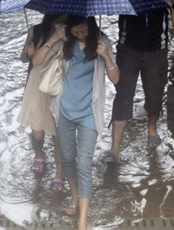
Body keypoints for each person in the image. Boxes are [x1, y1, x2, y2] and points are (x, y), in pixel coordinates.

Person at [32, 15, 119, 230]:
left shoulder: (102, 42)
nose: (80, 34)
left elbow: (116, 79)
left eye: (84, 31)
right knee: (68, 160)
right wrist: (54, 38)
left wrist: (106, 56)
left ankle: (83, 220)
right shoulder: (63, 43)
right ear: (70, 28)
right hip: (64, 112)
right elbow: (36, 61)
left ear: (91, 25)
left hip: (89, 113)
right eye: (76, 31)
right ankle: (74, 197)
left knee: (83, 163)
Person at [108, 0, 174, 162]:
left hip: (156, 49)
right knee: (123, 95)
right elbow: (109, 4)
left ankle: (152, 129)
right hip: (128, 48)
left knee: (155, 93)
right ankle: (115, 149)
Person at [17, 14, 67, 191]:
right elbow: (25, 58)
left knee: (58, 134)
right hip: (37, 84)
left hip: (60, 84)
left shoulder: (73, 30)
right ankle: (39, 153)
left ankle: (60, 173)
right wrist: (27, 53)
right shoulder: (36, 30)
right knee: (38, 133)